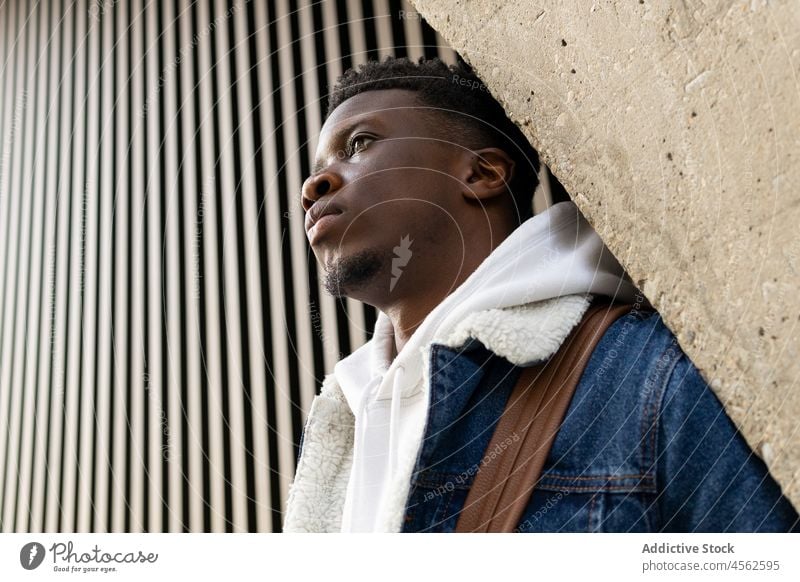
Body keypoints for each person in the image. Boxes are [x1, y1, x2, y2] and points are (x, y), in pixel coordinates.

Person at [283, 57, 798, 533]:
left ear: (482, 174)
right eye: (319, 163)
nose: (313, 184)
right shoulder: (342, 421)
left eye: (359, 145)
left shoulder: (642, 374)